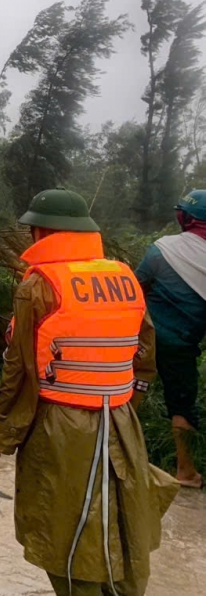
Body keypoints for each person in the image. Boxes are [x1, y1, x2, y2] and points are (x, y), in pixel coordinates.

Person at [0, 188, 178, 596]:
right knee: (122, 518)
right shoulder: (123, 276)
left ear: (42, 231)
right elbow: (145, 353)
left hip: (62, 423)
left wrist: (3, 433)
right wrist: (123, 401)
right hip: (121, 419)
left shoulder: (40, 285)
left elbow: (20, 370)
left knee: (64, 527)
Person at [136, 190, 206, 489]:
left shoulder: (161, 250)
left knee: (127, 396)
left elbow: (135, 288)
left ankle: (113, 454)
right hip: (182, 346)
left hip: (145, 339)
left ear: (186, 218)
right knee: (182, 407)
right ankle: (186, 471)